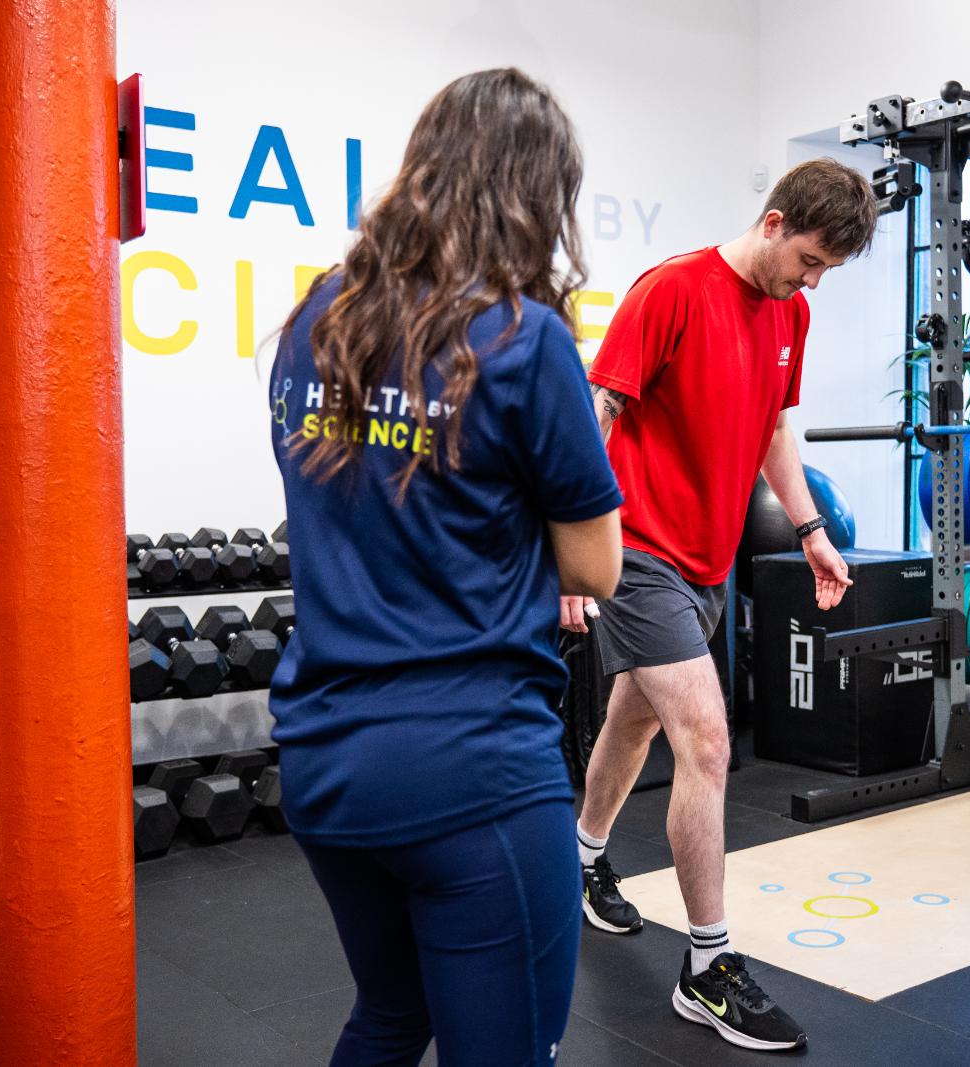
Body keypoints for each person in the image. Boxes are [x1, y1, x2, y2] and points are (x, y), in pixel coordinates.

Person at [267, 68, 622, 1067]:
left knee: (389, 1014)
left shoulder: (316, 321)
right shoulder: (522, 338)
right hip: (471, 771)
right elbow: (595, 565)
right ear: (536, 196)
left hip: (323, 757)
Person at [565, 158, 879, 1051]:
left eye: (827, 270)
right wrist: (570, 559)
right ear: (774, 223)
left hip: (709, 557)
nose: (812, 282)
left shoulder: (792, 312)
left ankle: (580, 859)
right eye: (809, 259)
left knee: (634, 718)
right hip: (639, 551)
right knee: (706, 739)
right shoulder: (671, 290)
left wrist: (811, 528)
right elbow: (597, 416)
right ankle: (707, 968)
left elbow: (774, 425)